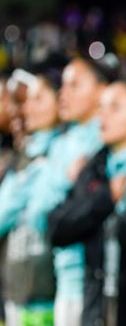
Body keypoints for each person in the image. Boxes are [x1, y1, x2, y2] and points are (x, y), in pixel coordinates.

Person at [47, 81, 126, 326]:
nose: (103, 115)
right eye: (101, 107)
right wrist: (105, 198)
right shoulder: (94, 167)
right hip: (98, 303)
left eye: (115, 107)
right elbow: (57, 227)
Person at [33, 57, 116, 326]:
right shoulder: (62, 143)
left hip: (99, 278)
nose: (63, 93)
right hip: (64, 279)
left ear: (101, 90)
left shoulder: (109, 141)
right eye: (63, 85)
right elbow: (39, 216)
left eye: (75, 85)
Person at [0, 71, 63, 325]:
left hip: (51, 285)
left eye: (37, 100)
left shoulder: (66, 150)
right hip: (17, 285)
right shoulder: (19, 158)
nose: (25, 110)